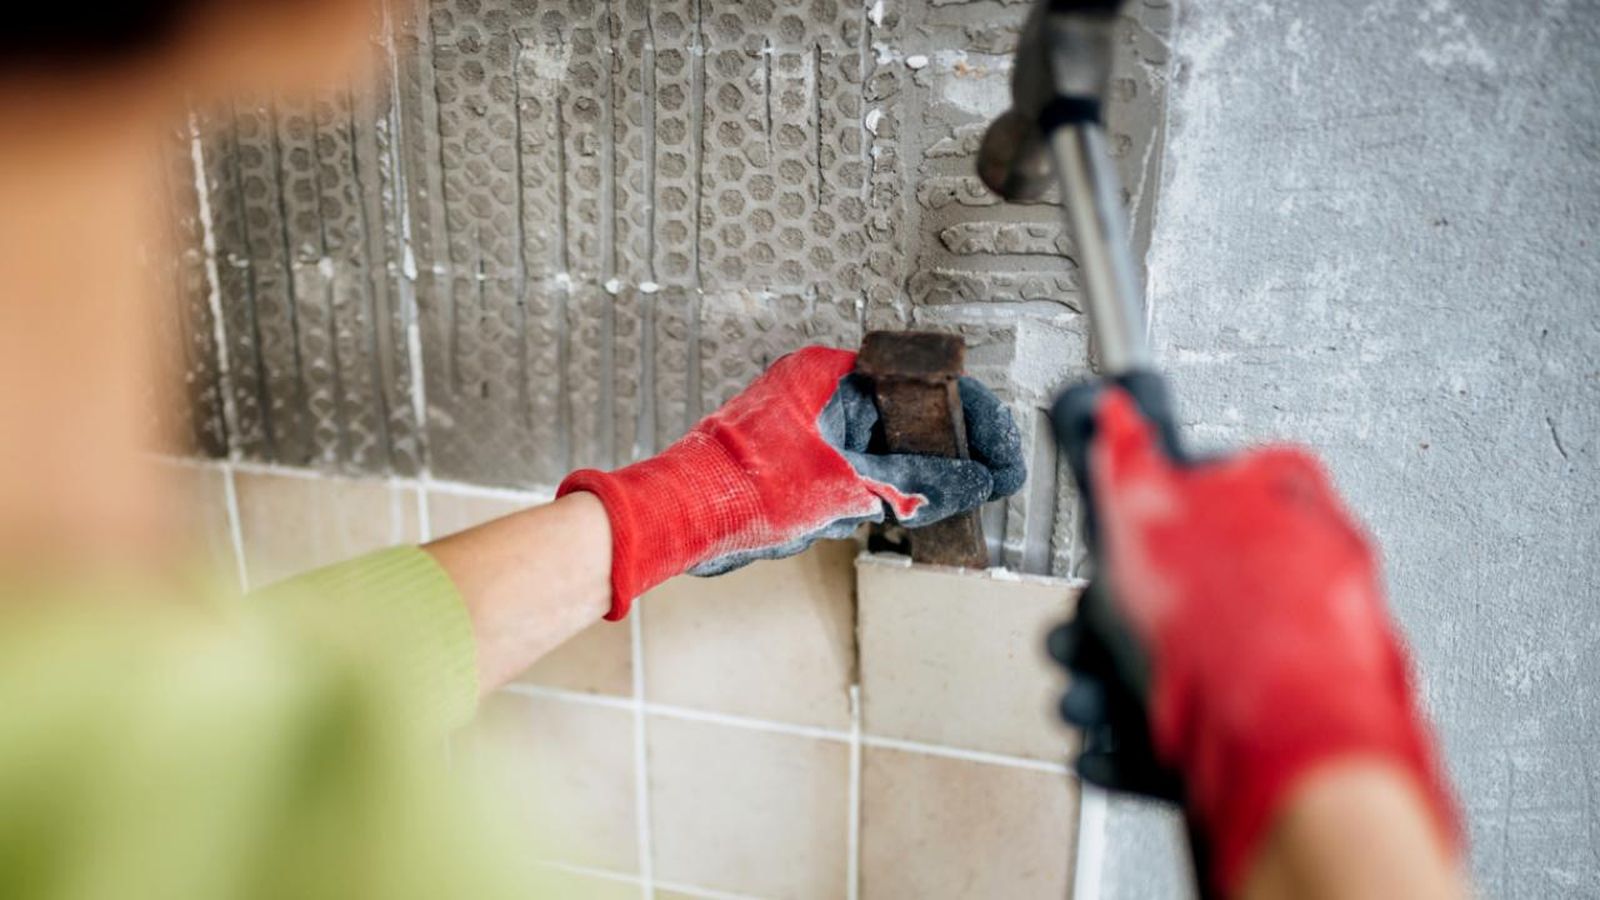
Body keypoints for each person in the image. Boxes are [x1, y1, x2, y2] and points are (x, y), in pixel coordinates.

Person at [0, 3, 1464, 898]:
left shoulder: (101, 748)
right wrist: (1319, 765)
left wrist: (703, 498)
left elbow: (254, 694)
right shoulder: (323, 850)